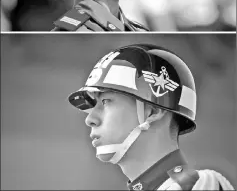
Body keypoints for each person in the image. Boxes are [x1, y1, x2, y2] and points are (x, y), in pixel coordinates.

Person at [68, 43, 235, 190]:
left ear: (153, 111)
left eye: (105, 101)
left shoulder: (197, 185)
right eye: (92, 106)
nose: (90, 119)